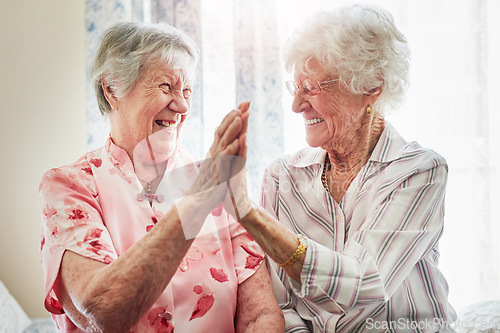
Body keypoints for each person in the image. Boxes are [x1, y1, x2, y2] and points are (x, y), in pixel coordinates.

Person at [39, 22, 284, 332]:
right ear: (112, 88)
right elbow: (102, 311)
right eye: (166, 87)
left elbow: (260, 315)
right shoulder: (70, 186)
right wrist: (198, 199)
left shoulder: (216, 180)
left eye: (187, 90)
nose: (181, 106)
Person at [232, 4, 457, 332]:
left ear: (370, 87)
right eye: (295, 88)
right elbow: (282, 304)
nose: (296, 105)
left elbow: (365, 282)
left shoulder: (419, 172)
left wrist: (249, 214)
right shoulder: (282, 178)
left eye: (311, 88)